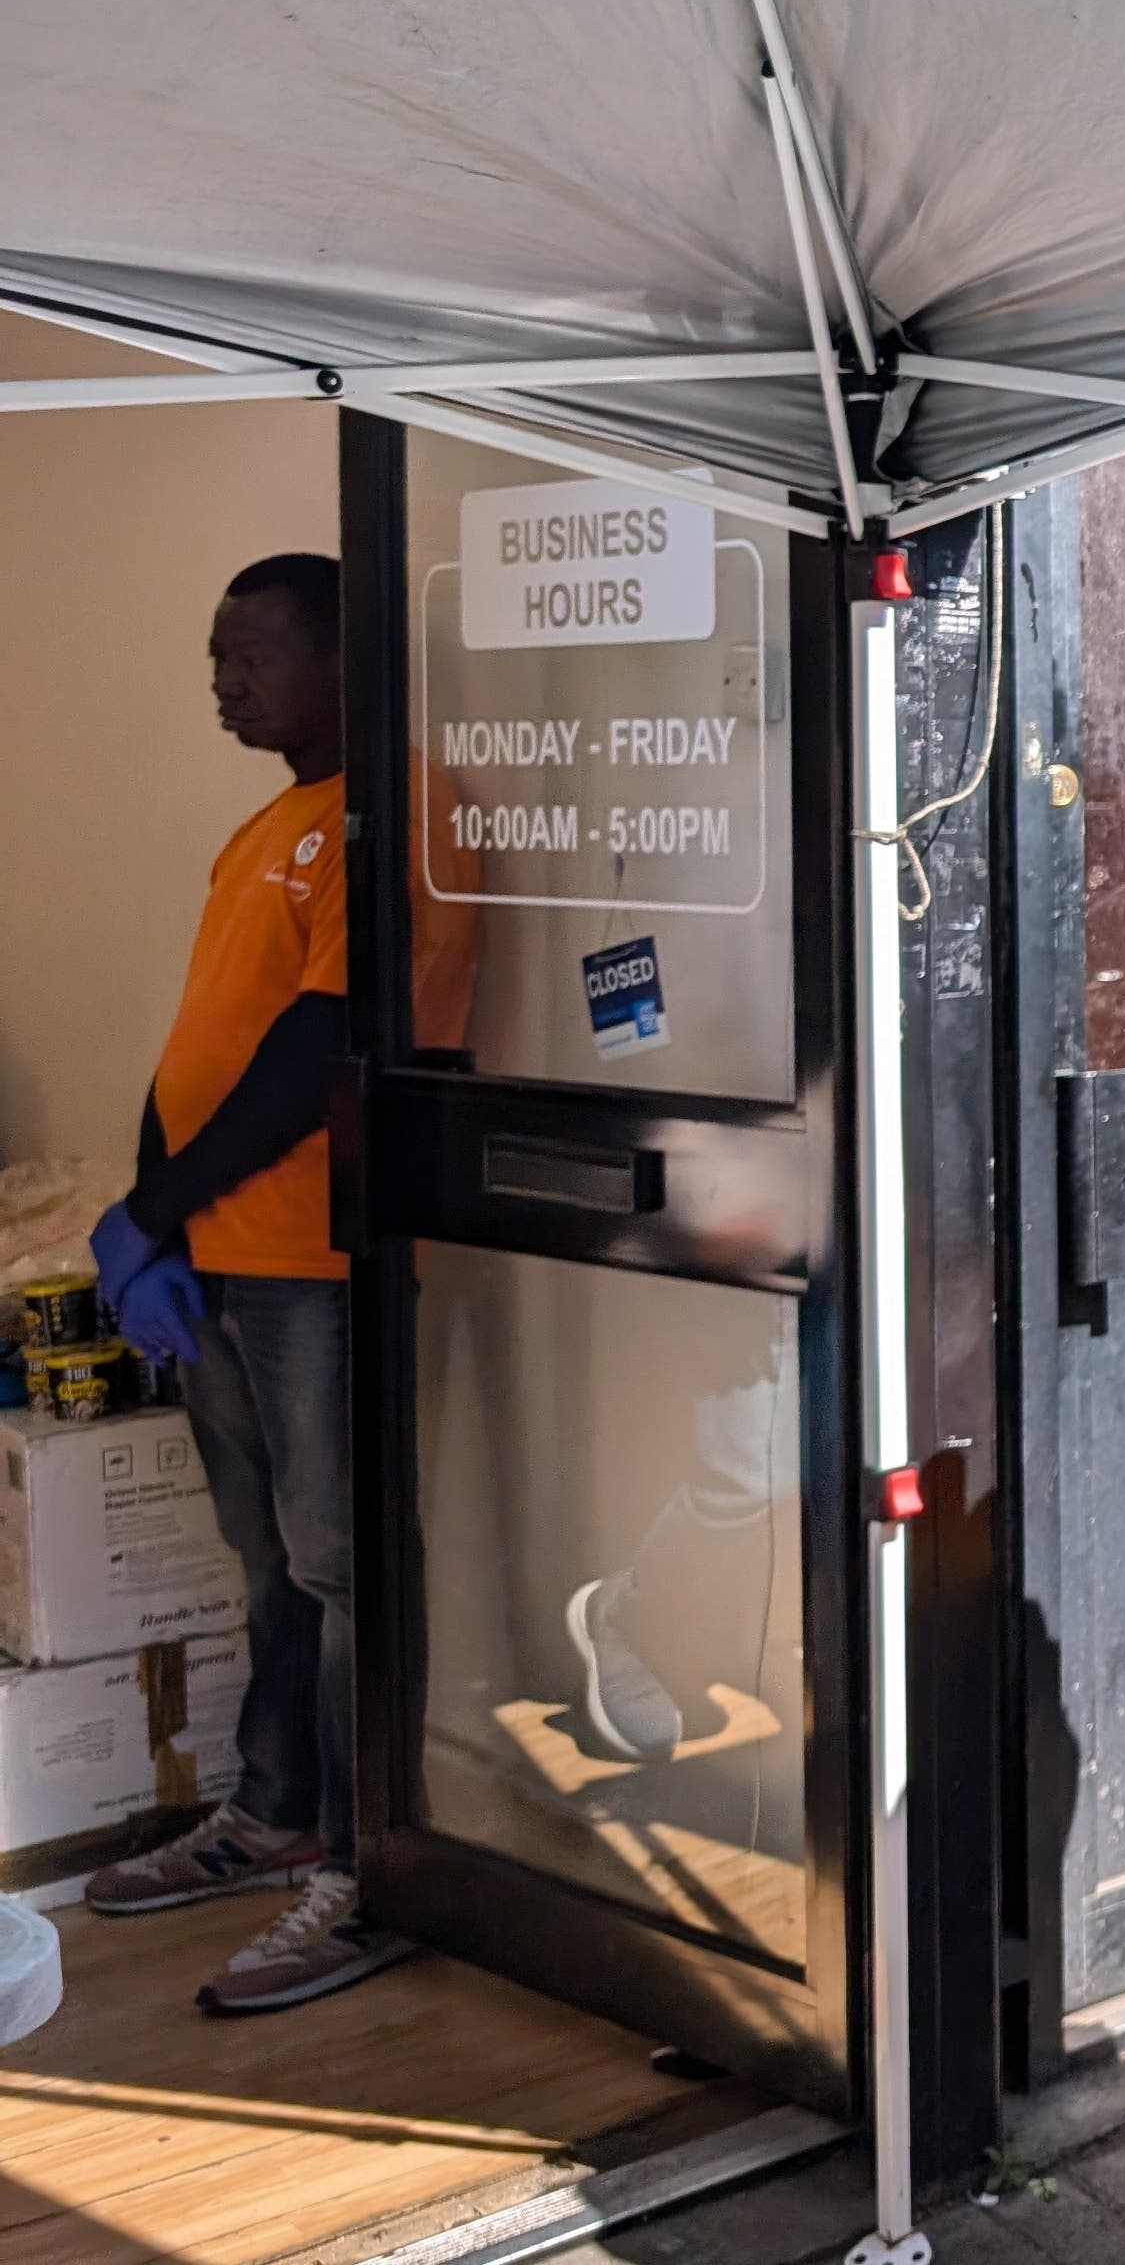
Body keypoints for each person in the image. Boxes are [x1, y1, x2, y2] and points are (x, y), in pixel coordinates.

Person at [81, 555, 468, 2013]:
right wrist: (152, 1220)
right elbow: (203, 1046)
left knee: (343, 1564)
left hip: (318, 1261)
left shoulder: (401, 814)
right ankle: (273, 1813)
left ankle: (375, 1869)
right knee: (269, 1564)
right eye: (215, 655)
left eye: (250, 655)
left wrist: (155, 1207)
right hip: (226, 1262)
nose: (222, 681)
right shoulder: (265, 829)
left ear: (342, 660)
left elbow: (320, 1059)